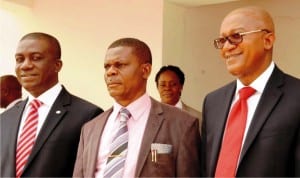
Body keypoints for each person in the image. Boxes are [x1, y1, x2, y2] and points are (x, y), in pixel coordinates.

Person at [73, 38, 201, 177]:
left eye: (119, 65)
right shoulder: (90, 129)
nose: (110, 72)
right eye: (107, 66)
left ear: (145, 70)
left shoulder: (182, 124)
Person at [201, 6, 300, 177]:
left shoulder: (296, 96)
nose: (226, 47)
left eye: (236, 36)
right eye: (222, 40)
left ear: (267, 41)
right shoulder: (213, 102)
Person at [0, 32, 103, 177]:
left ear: (57, 65)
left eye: (36, 58)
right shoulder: (5, 119)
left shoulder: (88, 115)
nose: (25, 65)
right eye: (19, 59)